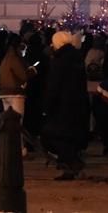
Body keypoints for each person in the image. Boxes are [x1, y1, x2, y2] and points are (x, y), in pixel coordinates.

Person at [42, 29, 89, 179]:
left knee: (57, 136)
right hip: (77, 103)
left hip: (62, 105)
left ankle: (72, 164)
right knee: (69, 136)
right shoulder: (76, 57)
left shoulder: (60, 60)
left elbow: (54, 85)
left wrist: (47, 105)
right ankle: (70, 166)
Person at [0, 33, 35, 155]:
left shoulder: (5, 57)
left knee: (8, 124)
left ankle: (9, 148)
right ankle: (19, 149)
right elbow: (23, 75)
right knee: (17, 123)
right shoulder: (14, 58)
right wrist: (32, 71)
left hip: (4, 92)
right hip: (15, 92)